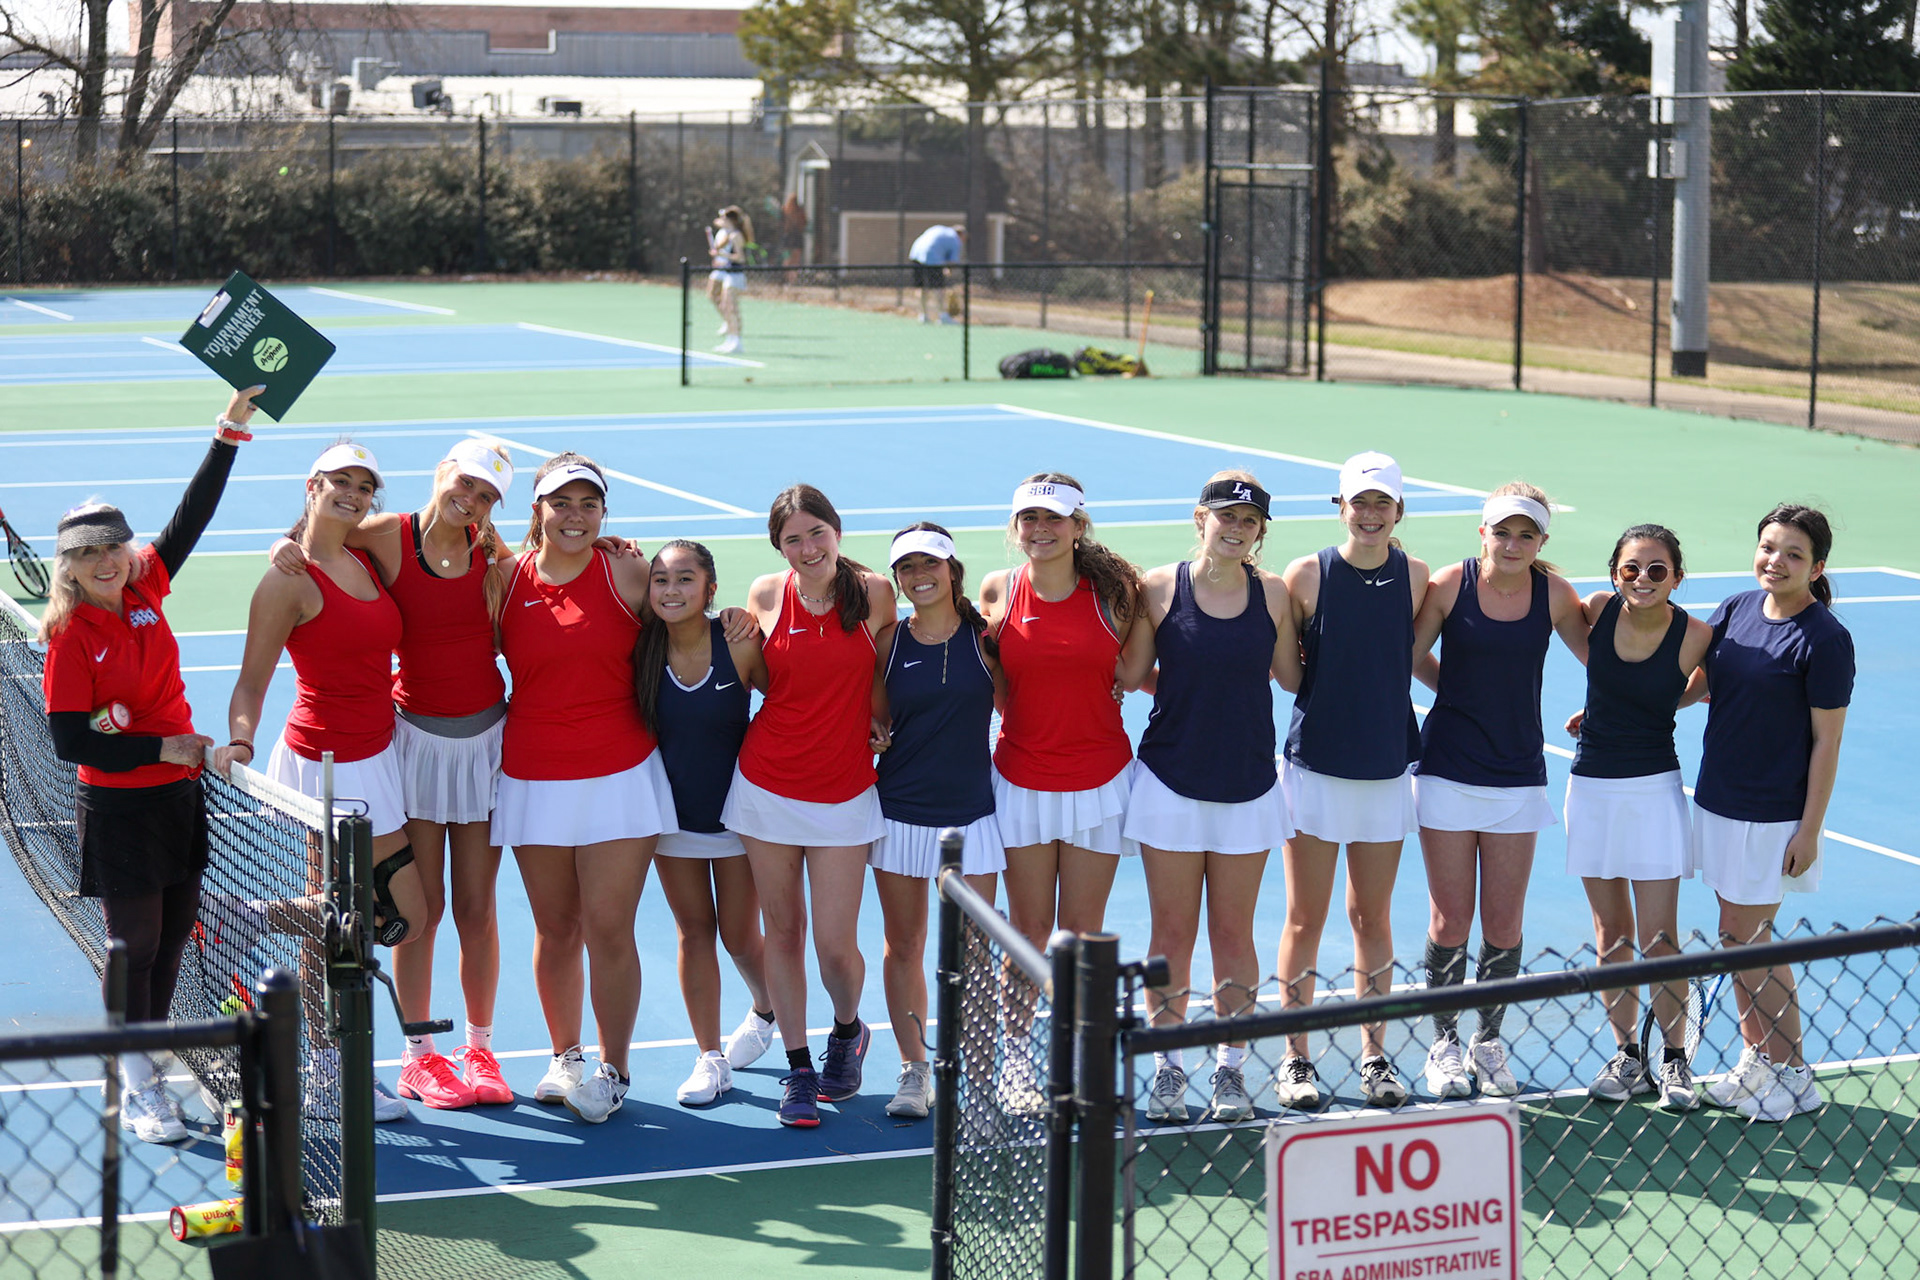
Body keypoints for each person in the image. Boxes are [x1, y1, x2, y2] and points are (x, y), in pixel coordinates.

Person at [270, 439, 518, 1111]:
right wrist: (283, 545)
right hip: (408, 745)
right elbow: (321, 532)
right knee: (421, 910)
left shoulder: (496, 558)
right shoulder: (384, 536)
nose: (470, 500)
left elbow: (554, 568)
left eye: (487, 494)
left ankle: (480, 1047)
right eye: (464, 484)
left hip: (484, 745)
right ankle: (418, 1054)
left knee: (476, 908)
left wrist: (619, 548)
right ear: (441, 476)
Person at [40, 387, 260, 1144]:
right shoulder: (71, 641)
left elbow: (190, 519)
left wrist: (228, 434)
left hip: (179, 796)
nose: (107, 561)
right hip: (121, 805)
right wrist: (159, 747)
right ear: (68, 566)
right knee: (131, 945)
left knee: (172, 940)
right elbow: (70, 741)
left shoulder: (145, 588)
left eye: (114, 548)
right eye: (89, 553)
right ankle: (135, 1083)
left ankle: (146, 1057)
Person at [218, 440, 431, 1125]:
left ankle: (247, 919)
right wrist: (244, 739)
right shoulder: (288, 578)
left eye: (365, 485)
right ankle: (330, 1069)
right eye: (341, 481)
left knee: (388, 916)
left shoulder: (367, 558)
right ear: (312, 485)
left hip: (381, 754)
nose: (354, 492)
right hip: (324, 766)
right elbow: (251, 679)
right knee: (343, 920)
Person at [491, 453, 676, 1124]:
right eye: (559, 502)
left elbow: (688, 612)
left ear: (604, 513)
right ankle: (563, 1055)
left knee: (607, 926)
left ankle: (613, 1070)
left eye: (587, 504)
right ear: (537, 508)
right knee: (556, 926)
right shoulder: (502, 579)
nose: (574, 515)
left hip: (621, 774)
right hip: (533, 775)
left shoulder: (626, 568)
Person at [1121, 472, 1300, 1126]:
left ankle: (1229, 1070)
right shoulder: (1159, 589)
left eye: (1249, 521)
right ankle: (1169, 1066)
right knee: (1172, 934)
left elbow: (1290, 676)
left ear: (1259, 531)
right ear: (1201, 518)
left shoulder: (1276, 594)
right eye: (1225, 516)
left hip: (1250, 785)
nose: (1236, 527)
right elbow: (1134, 674)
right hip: (1169, 783)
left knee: (1232, 932)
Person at [721, 484, 895, 1129]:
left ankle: (847, 1030)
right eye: (792, 538)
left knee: (833, 943)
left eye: (816, 532)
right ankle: (798, 1069)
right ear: (778, 547)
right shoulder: (767, 595)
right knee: (784, 932)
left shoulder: (876, 593)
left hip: (845, 788)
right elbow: (765, 681)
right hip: (766, 784)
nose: (807, 547)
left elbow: (880, 676)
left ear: (837, 531)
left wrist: (882, 725)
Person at [1410, 482, 1589, 1100]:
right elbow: (1410, 654)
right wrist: (1453, 693)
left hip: (1516, 775)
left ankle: (1488, 1041)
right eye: (1502, 531)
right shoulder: (1448, 586)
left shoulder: (1556, 594)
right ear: (1481, 532)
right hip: (1446, 770)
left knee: (1504, 923)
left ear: (1542, 542)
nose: (1513, 543)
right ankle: (1445, 1045)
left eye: (1527, 534)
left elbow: (1611, 662)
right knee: (1451, 917)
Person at [1272, 452, 1428, 1110]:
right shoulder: (1305, 575)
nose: (1368, 514)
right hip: (1314, 769)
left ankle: (1373, 1056)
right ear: (1340, 507)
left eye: (1381, 503)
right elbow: (1286, 674)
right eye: (1358, 502)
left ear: (1398, 512)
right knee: (1304, 918)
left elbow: (1412, 659)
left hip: (1386, 769)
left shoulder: (1418, 577)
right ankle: (1296, 1058)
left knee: (1371, 917)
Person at [1689, 504, 1852, 1122]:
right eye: (1768, 547)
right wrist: (1633, 713)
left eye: (1792, 554)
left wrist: (1809, 829)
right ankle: (1761, 1059)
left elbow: (1827, 743)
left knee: (1749, 939)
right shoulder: (1735, 609)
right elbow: (1701, 680)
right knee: (1735, 936)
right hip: (1719, 798)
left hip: (1773, 813)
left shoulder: (1825, 639)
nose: (1775, 561)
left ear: (1816, 567)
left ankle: (1795, 1074)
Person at [1562, 525, 1712, 1109]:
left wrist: (1649, 702)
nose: (1643, 578)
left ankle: (1674, 1061)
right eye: (1631, 568)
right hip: (1591, 788)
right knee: (1611, 935)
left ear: (1677, 576)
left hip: (1655, 790)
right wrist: (1604, 706)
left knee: (1660, 938)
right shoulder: (1597, 612)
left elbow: (1699, 690)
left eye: (1656, 569)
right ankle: (1628, 1054)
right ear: (1613, 573)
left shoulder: (1697, 635)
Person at [634, 539, 778, 1108]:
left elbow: (791, 701)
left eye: (686, 580)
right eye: (662, 580)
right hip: (671, 816)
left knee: (739, 935)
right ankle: (710, 1057)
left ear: (710, 590)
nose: (673, 590)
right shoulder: (641, 647)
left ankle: (765, 1011)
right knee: (694, 931)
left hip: (739, 815)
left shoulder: (739, 644)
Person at [868, 523, 1005, 1120]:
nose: (919, 575)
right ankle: (914, 1070)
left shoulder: (988, 640)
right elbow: (872, 716)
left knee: (976, 953)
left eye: (931, 564)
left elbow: (1025, 703)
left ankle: (978, 1076)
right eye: (906, 567)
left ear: (953, 570)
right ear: (896, 577)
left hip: (973, 817)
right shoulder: (887, 642)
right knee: (905, 945)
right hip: (899, 814)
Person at [981, 473, 1145, 953]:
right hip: (1021, 782)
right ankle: (1018, 1034)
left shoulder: (1118, 595)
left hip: (1100, 784)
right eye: (1029, 517)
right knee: (1027, 932)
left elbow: (1132, 676)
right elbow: (996, 684)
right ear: (1016, 527)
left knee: (1080, 935)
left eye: (1054, 517)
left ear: (1078, 526)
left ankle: (1075, 1033)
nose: (1040, 528)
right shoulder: (998, 590)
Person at [708, 205, 751, 355]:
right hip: (728, 274)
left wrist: (723, 256)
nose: (722, 220)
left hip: (735, 276)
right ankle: (730, 340)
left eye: (725, 218)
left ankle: (737, 342)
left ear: (731, 220)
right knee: (726, 307)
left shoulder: (736, 236)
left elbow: (740, 258)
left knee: (732, 308)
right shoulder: (729, 234)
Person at [908, 223, 965, 324]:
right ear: (961, 234)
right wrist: (949, 271)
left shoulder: (938, 228)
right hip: (931, 258)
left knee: (922, 288)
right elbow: (953, 261)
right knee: (938, 289)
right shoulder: (955, 239)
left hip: (915, 253)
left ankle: (923, 315)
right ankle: (942, 316)